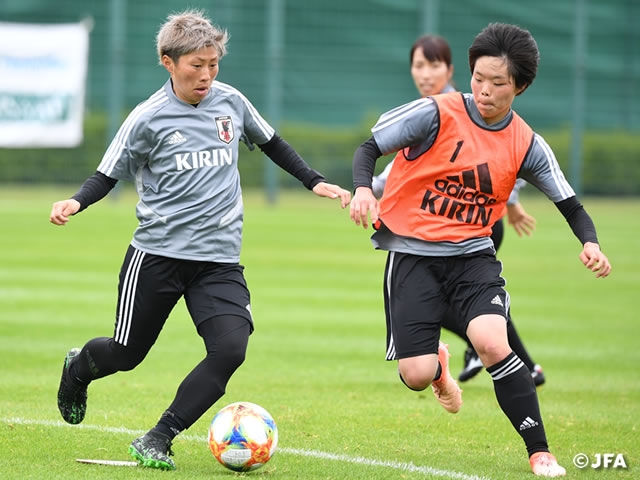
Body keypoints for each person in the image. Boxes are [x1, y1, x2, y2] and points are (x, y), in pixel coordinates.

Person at [50, 9, 351, 471]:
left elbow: (271, 142)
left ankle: (159, 436)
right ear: (168, 62)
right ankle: (78, 368)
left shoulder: (231, 102)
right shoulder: (147, 118)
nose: (207, 74)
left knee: (231, 349)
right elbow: (108, 172)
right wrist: (76, 202)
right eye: (196, 65)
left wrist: (313, 181)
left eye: (213, 64)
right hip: (157, 257)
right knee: (127, 355)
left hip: (219, 260)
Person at [350, 22, 611, 477]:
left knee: (493, 342)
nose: (485, 90)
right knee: (415, 373)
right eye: (478, 79)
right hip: (413, 256)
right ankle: (438, 370)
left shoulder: (526, 142)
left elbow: (570, 203)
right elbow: (369, 147)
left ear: (521, 87)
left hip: (473, 258)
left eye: (498, 83)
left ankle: (540, 451)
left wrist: (590, 242)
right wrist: (362, 191)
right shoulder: (435, 113)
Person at [371, 34, 545, 386]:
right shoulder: (429, 108)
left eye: (433, 65)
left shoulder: (459, 107)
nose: (425, 74)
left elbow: (495, 159)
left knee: (459, 297)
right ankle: (522, 364)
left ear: (450, 70)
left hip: (470, 223)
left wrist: (369, 190)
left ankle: (504, 358)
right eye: (418, 65)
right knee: (469, 301)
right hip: (436, 219)